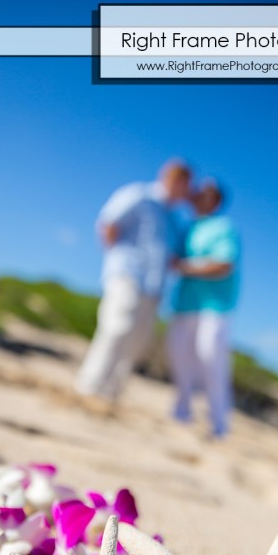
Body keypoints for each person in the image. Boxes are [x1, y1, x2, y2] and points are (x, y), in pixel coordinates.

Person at [75, 160, 192, 403]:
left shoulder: (174, 219)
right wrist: (118, 259)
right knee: (118, 326)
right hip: (128, 273)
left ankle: (111, 392)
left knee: (138, 340)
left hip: (154, 287)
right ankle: (90, 384)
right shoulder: (139, 195)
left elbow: (175, 255)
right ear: (170, 179)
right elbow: (108, 223)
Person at [168, 179, 240, 437]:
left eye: (205, 194)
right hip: (185, 304)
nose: (199, 197)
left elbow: (224, 264)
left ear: (216, 200)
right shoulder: (188, 228)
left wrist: (186, 266)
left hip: (215, 306)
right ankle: (181, 412)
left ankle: (219, 423)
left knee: (211, 359)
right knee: (179, 357)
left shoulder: (223, 227)